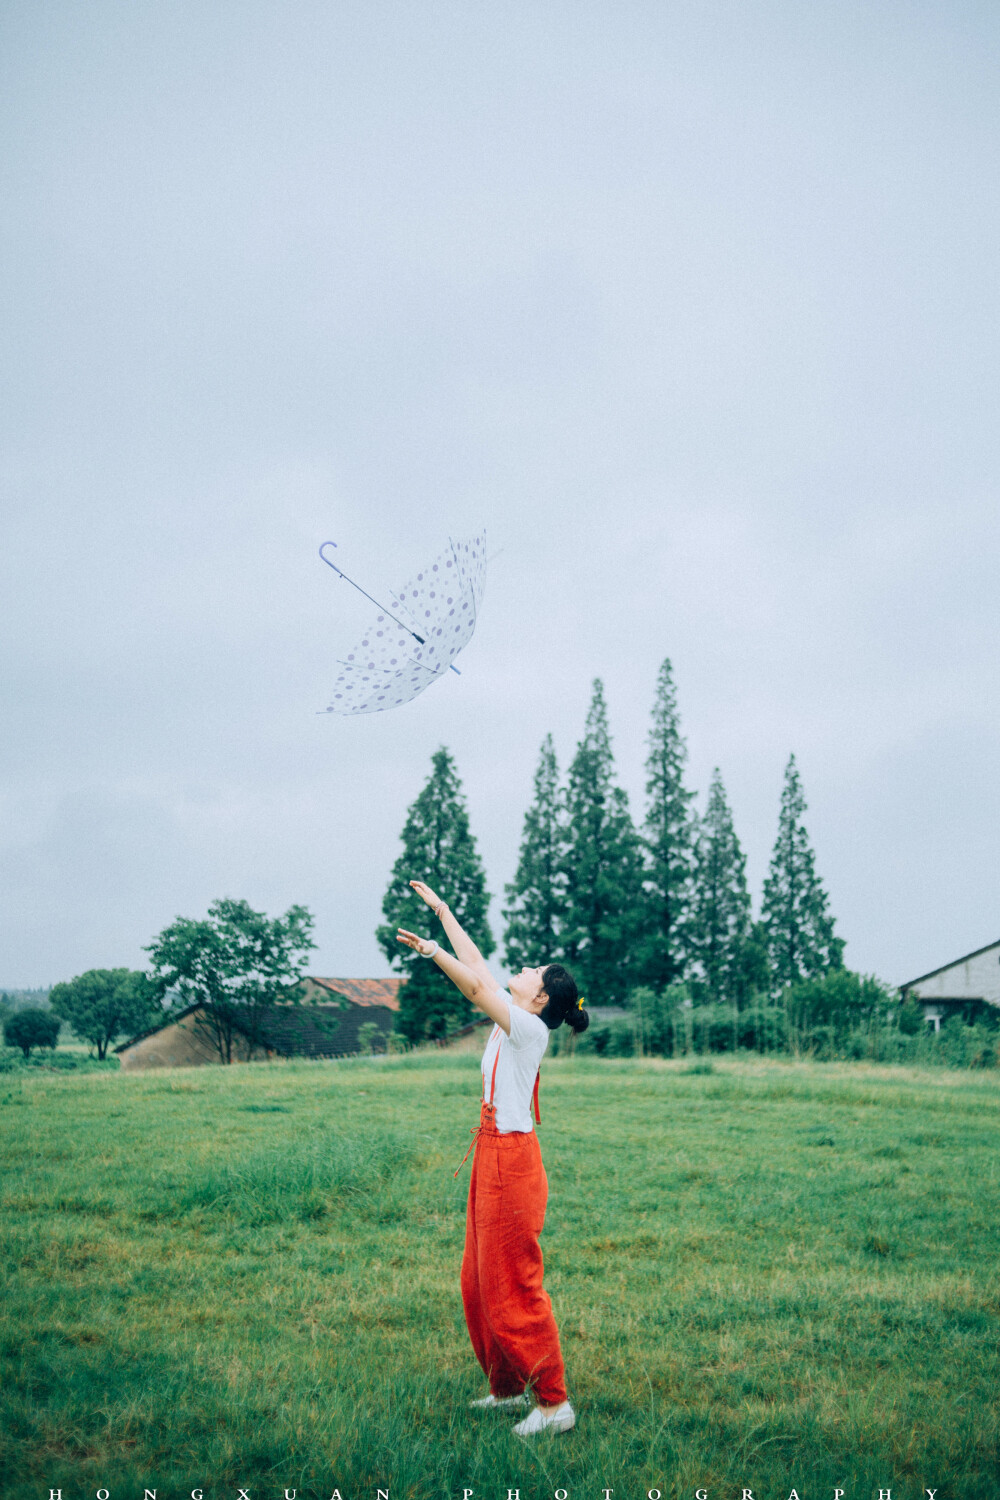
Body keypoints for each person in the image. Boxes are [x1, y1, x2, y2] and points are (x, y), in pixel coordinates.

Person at [397, 879, 590, 1438]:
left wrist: (431, 952)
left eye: (534, 970)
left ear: (540, 998)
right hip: (492, 1156)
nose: (525, 967)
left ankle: (554, 1404)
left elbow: (475, 989)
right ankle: (507, 1387)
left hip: (513, 1165)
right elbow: (479, 969)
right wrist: (443, 913)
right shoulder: (520, 1015)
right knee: (478, 1283)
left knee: (513, 1285)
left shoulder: (528, 1029)